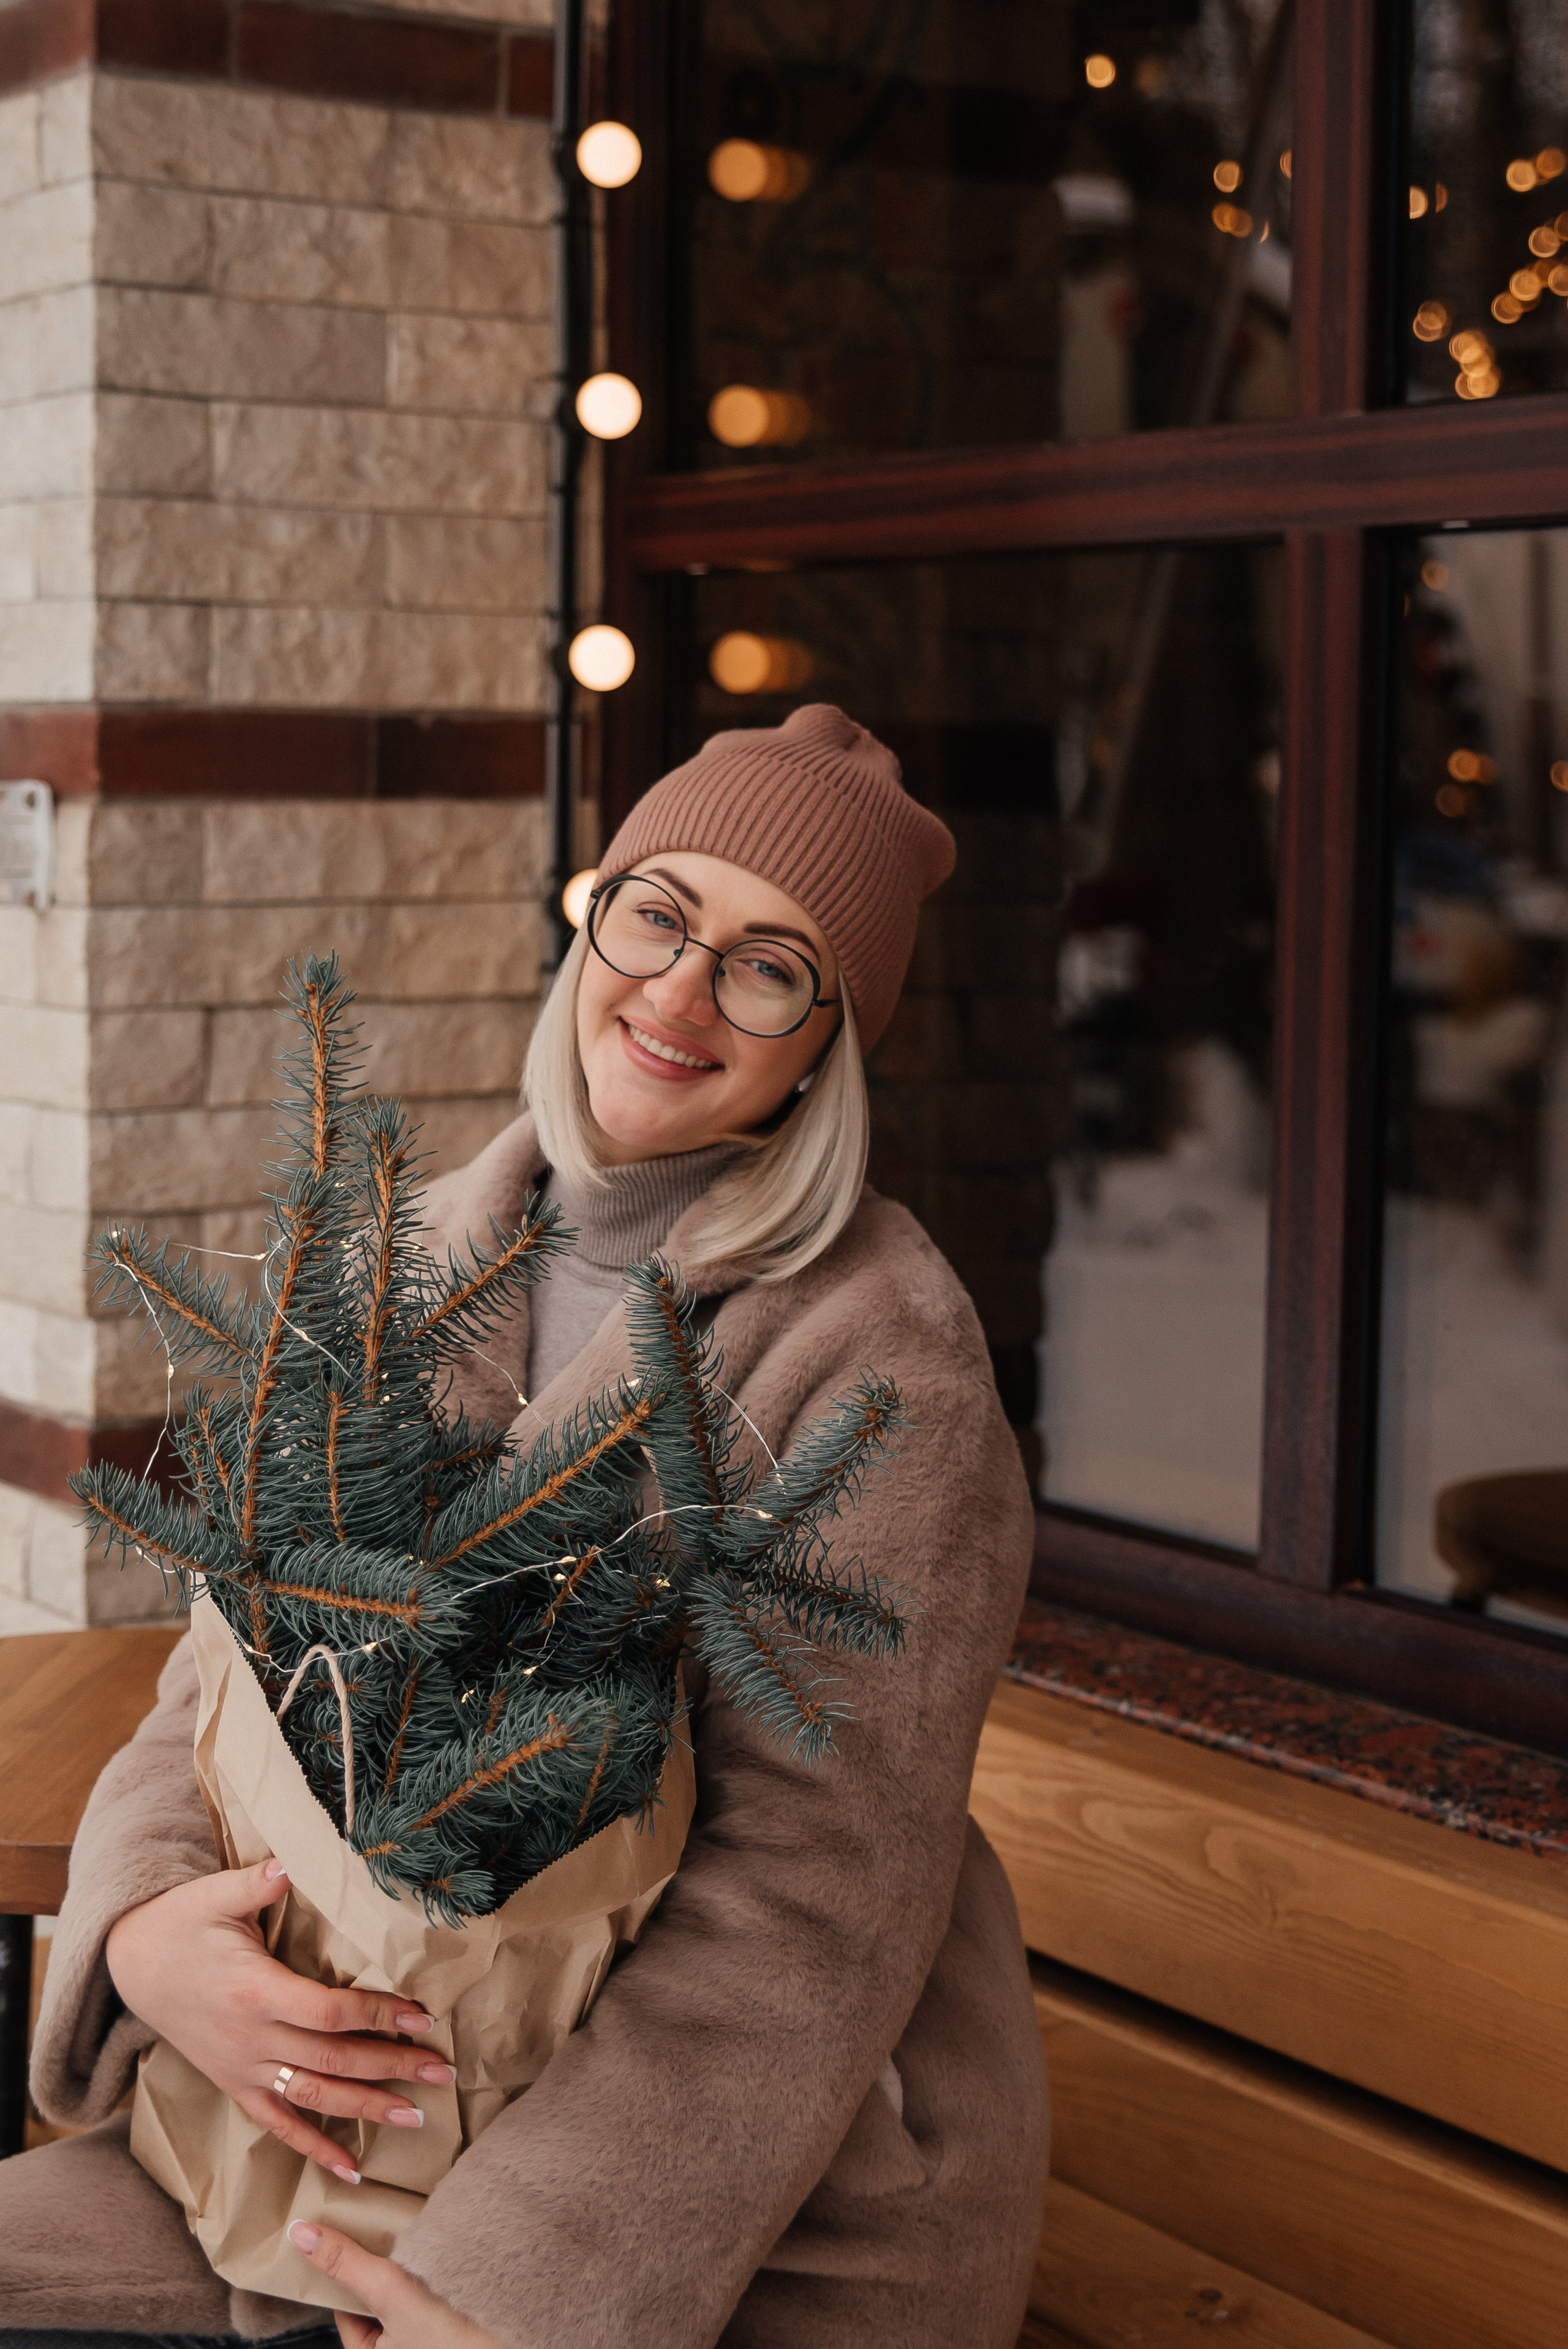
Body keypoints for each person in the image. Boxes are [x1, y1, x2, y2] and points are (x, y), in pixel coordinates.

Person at [0, 705, 1047, 2349]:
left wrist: (508, 2298)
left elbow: (812, 1905)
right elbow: (223, 1670)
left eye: (771, 967)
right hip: (307, 2132)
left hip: (712, 2221)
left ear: (828, 1041)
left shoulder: (878, 1358)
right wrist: (145, 1937)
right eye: (659, 914)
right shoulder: (414, 1248)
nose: (683, 993)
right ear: (594, 917)